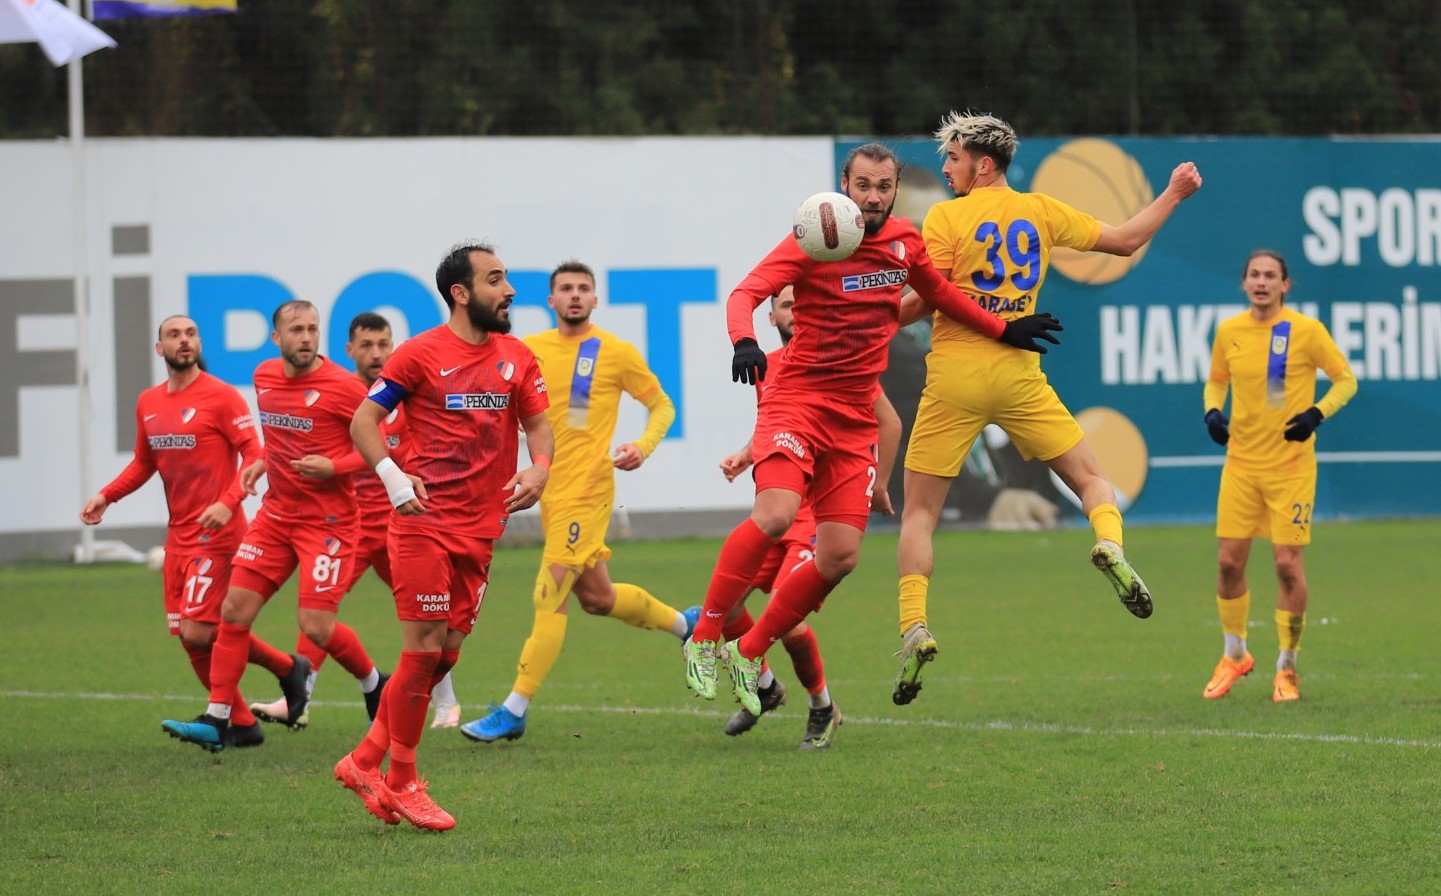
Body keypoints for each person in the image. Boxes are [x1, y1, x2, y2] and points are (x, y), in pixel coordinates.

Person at [683, 141, 1064, 723]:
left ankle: (748, 650)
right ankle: (705, 639)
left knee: (838, 557)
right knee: (777, 515)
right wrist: (744, 341)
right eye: (863, 185)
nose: (874, 197)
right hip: (798, 400)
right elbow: (744, 293)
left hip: (855, 413)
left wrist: (1004, 329)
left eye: (883, 186)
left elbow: (937, 293)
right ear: (845, 184)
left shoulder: (904, 241)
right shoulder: (816, 234)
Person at [891, 111, 1203, 706]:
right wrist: (1174, 191)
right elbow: (1126, 240)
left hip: (956, 375)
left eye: (953, 158)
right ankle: (1109, 545)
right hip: (1018, 374)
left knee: (919, 516)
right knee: (1092, 481)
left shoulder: (945, 217)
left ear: (983, 163)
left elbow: (919, 304)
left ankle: (915, 626)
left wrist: (858, 313)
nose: (947, 168)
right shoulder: (1040, 210)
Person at [334, 241, 552, 831]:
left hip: (482, 531)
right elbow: (364, 421)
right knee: (424, 648)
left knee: (443, 655)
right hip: (422, 522)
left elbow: (537, 425)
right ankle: (403, 780)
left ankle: (363, 762)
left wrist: (538, 468)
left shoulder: (517, 357)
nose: (509, 291)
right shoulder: (418, 355)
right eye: (495, 280)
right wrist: (392, 476)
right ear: (460, 293)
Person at [459, 259, 699, 744]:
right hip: (548, 492)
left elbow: (662, 405)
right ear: (550, 301)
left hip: (589, 491)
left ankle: (515, 707)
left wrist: (642, 446)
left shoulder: (615, 352)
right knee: (598, 598)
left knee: (548, 594)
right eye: (565, 288)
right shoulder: (527, 350)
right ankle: (686, 624)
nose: (574, 295)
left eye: (583, 288)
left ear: (594, 299)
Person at [160, 300, 387, 751]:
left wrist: (335, 466)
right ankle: (218, 718)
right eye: (296, 330)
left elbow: (377, 448)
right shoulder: (264, 378)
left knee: (317, 627)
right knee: (232, 613)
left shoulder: (343, 386)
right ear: (276, 338)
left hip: (329, 522)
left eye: (312, 329)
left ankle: (374, 684)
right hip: (276, 517)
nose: (306, 337)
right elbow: (278, 439)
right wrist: (261, 462)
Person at [80, 316, 304, 749]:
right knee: (202, 637)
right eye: (174, 336)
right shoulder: (148, 402)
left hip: (218, 536)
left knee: (198, 633)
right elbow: (145, 462)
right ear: (159, 348)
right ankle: (252, 712)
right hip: (179, 537)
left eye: (191, 334)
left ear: (199, 343)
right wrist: (107, 496)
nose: (184, 341)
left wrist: (228, 501)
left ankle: (231, 714)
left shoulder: (221, 397)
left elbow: (254, 453)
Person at [248, 312, 463, 729]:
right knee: (318, 612)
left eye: (384, 344)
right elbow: (292, 441)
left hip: (402, 525)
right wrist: (264, 460)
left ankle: (446, 703)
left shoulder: (407, 399)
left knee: (425, 612)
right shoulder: (344, 396)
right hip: (352, 527)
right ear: (350, 350)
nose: (376, 353)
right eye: (367, 345)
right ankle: (299, 700)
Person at [714, 285, 902, 748]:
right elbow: (779, 428)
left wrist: (877, 485)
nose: (797, 312)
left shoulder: (841, 362)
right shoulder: (768, 369)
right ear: (773, 320)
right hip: (777, 511)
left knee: (790, 621)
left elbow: (890, 422)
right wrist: (747, 453)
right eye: (786, 306)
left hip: (816, 519)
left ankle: (822, 707)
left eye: (805, 304)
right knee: (728, 608)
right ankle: (765, 686)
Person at [1201, 250, 1357, 703]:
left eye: (1271, 275)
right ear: (1244, 283)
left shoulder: (1306, 331)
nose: (1262, 282)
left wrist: (1316, 413)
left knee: (1287, 566)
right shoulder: (1230, 331)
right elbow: (1216, 380)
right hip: (1241, 466)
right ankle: (1235, 654)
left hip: (1290, 469)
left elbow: (1345, 380)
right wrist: (1212, 410)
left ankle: (1287, 667)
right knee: (1229, 562)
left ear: (1286, 285)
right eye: (1255, 275)